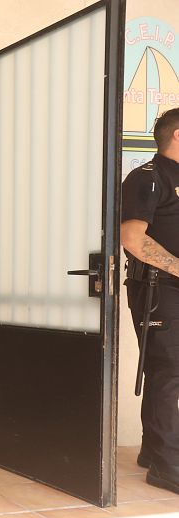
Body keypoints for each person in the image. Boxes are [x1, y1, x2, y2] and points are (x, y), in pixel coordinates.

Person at [121, 107, 179, 495]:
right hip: (158, 289)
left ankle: (151, 451)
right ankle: (166, 465)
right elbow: (132, 239)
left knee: (169, 374)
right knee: (168, 371)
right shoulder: (147, 177)